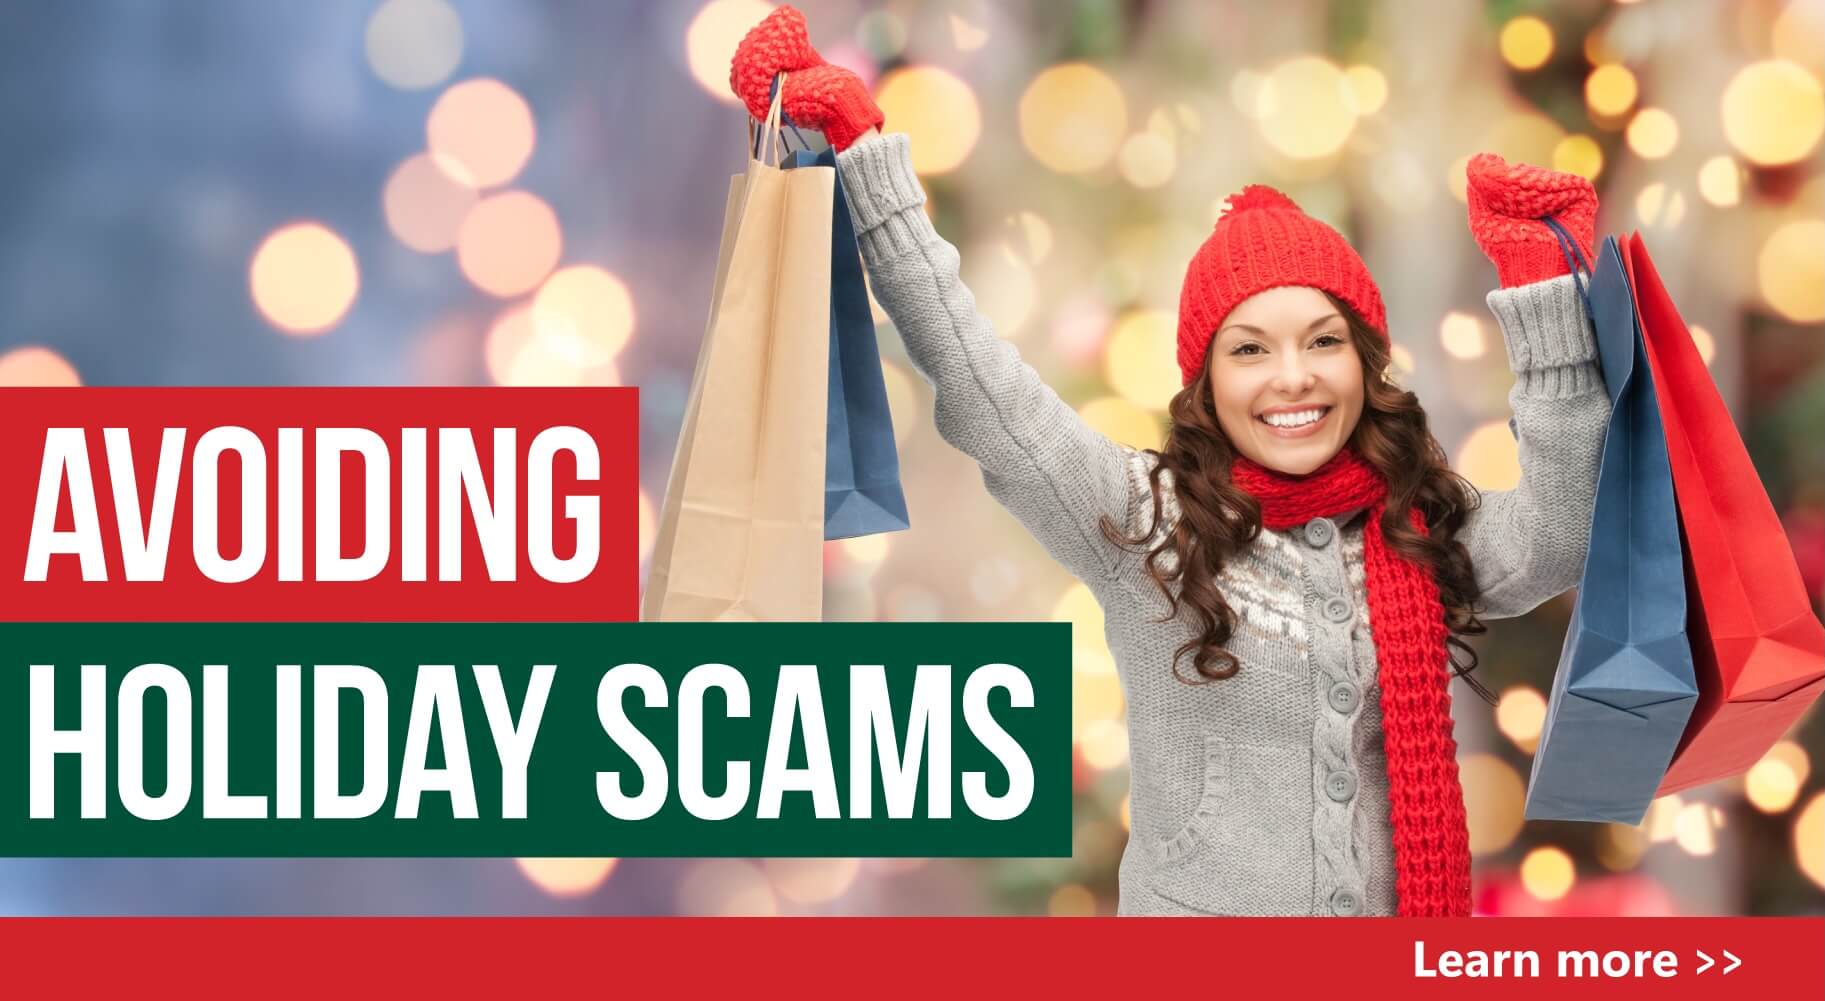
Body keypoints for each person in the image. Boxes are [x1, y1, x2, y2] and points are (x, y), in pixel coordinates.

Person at [729, 7, 1609, 917]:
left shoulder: (1415, 522)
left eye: (1323, 341)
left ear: (1364, 361)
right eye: (1250, 350)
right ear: (1206, 381)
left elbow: (1558, 532)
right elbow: (977, 381)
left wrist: (1546, 299)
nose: (1292, 378)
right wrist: (869, 166)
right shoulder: (1144, 519)